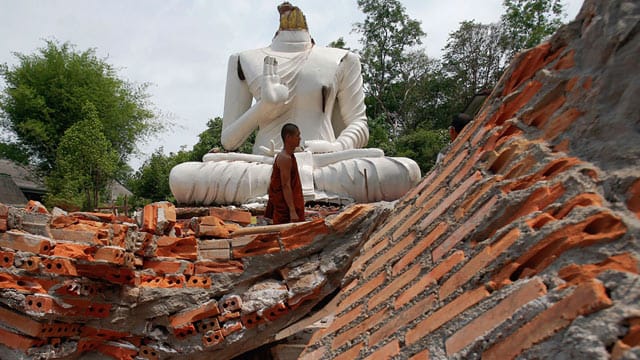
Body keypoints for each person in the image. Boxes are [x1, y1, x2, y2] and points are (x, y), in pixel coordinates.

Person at [169, 2, 421, 205]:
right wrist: (265, 107)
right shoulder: (244, 59)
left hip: (325, 162)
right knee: (181, 176)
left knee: (405, 171)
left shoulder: (343, 59)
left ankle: (297, 181)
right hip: (265, 165)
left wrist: (335, 147)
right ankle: (301, 181)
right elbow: (229, 141)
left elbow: (359, 124)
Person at [265, 123, 305, 224]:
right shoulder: (285, 158)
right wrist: (292, 211)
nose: (300, 138)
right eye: (297, 135)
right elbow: (285, 185)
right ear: (288, 137)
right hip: (285, 207)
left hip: (292, 201)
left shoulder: (290, 156)